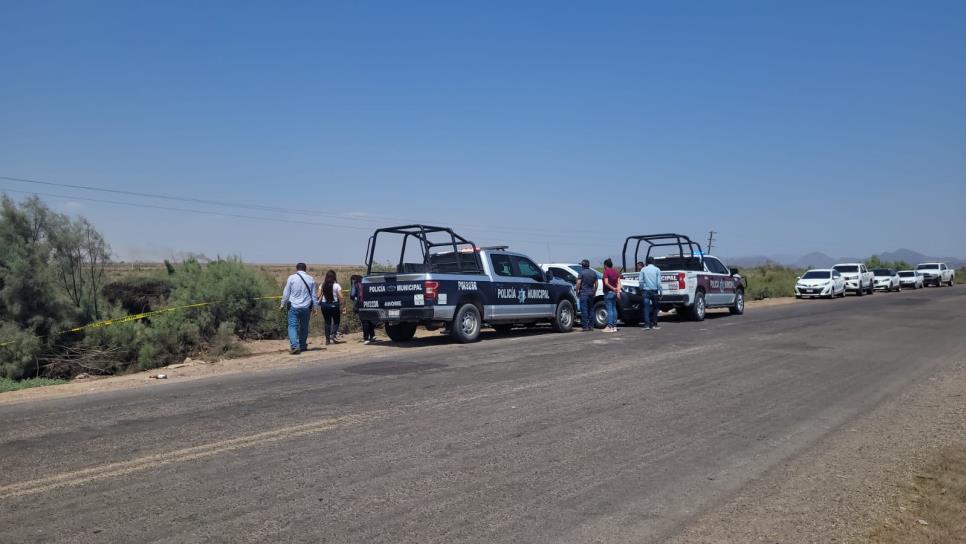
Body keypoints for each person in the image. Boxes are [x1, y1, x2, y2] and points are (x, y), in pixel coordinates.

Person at [280, 263, 317, 354]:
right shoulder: (311, 279)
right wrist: (315, 308)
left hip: (294, 306)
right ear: (305, 269)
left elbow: (286, 293)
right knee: (304, 327)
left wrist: (282, 304)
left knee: (292, 326)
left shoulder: (291, 278)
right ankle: (303, 345)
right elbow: (314, 296)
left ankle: (295, 346)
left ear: (297, 269)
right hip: (306, 307)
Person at [318, 269, 346, 345]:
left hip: (324, 305)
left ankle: (327, 340)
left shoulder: (322, 285)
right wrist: (344, 306)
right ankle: (333, 334)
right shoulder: (337, 285)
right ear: (334, 277)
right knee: (336, 321)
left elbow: (318, 296)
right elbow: (341, 297)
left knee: (327, 322)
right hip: (334, 305)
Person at [349, 274, 376, 344]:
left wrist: (354, 298)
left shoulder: (355, 284)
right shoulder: (367, 283)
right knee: (369, 319)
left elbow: (352, 295)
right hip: (371, 303)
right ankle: (372, 335)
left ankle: (366, 338)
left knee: (364, 321)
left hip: (361, 304)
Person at [639, 256, 662, 330]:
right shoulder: (657, 269)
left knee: (646, 308)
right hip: (655, 291)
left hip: (645, 291)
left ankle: (647, 325)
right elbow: (659, 283)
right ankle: (655, 324)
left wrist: (641, 289)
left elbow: (641, 281)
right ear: (653, 262)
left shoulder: (643, 269)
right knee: (655, 308)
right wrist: (660, 291)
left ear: (647, 262)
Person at [574, 259, 598, 331]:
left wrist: (577, 291)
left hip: (584, 293)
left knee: (584, 310)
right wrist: (594, 291)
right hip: (591, 293)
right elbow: (596, 284)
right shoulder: (593, 273)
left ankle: (585, 326)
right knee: (591, 309)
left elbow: (578, 283)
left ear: (583, 265)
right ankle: (591, 326)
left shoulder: (581, 273)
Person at [602, 258, 621, 332]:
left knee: (609, 309)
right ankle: (614, 326)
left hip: (608, 292)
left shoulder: (606, 272)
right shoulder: (615, 272)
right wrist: (617, 291)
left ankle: (609, 326)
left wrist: (613, 288)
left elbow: (606, 283)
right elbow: (619, 282)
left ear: (605, 265)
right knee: (614, 309)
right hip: (614, 293)